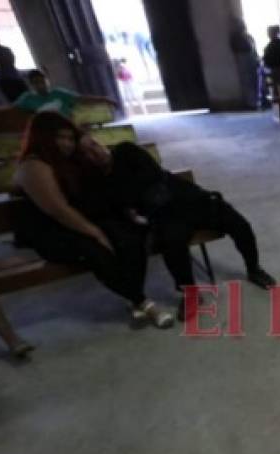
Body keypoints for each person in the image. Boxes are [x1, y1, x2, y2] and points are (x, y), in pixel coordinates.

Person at [76, 137, 276, 319]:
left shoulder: (125, 150)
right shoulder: (101, 182)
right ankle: (190, 295)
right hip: (165, 216)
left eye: (93, 145)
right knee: (171, 245)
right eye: (86, 153)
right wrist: (129, 202)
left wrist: (129, 201)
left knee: (239, 224)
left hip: (191, 199)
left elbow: (150, 176)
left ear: (101, 143)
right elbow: (122, 203)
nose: (93, 153)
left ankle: (253, 269)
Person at [12, 112, 173, 328]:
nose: (68, 144)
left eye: (70, 138)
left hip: (76, 222)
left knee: (131, 234)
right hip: (51, 232)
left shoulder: (65, 161)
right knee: (96, 250)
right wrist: (96, 233)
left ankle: (134, 301)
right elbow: (58, 210)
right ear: (43, 137)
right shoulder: (33, 166)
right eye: (61, 137)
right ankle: (144, 302)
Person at [13, 70, 117, 118]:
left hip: (67, 128)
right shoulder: (27, 98)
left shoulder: (58, 93)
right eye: (36, 82)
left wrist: (105, 99)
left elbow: (82, 99)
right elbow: (12, 110)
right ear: (31, 84)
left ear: (47, 81)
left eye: (42, 81)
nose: (40, 85)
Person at [230, 18, 259, 110]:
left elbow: (253, 47)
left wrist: (256, 57)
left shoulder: (248, 36)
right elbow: (235, 48)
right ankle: (251, 103)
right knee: (246, 81)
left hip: (250, 57)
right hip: (242, 57)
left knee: (254, 80)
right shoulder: (235, 37)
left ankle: (257, 101)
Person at [0, 30, 27, 102]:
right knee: (22, 99)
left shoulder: (5, 49)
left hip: (10, 78)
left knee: (23, 98)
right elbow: (11, 60)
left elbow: (11, 60)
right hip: (9, 78)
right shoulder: (5, 49)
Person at [261, 26, 280, 109]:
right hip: (276, 68)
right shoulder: (278, 43)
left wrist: (265, 59)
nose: (268, 34)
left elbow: (273, 57)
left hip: (277, 68)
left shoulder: (276, 44)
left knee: (278, 90)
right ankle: (279, 109)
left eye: (269, 32)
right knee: (277, 89)